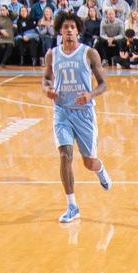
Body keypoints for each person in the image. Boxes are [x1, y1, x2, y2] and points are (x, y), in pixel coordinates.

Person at [42, 12, 112, 223]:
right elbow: (46, 79)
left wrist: (90, 94)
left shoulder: (89, 53)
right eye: (66, 27)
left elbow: (103, 84)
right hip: (62, 111)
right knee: (65, 155)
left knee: (89, 162)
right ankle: (72, 206)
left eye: (73, 27)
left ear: (78, 30)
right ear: (60, 30)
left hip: (84, 113)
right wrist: (47, 90)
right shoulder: (52, 54)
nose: (69, 30)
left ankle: (100, 170)